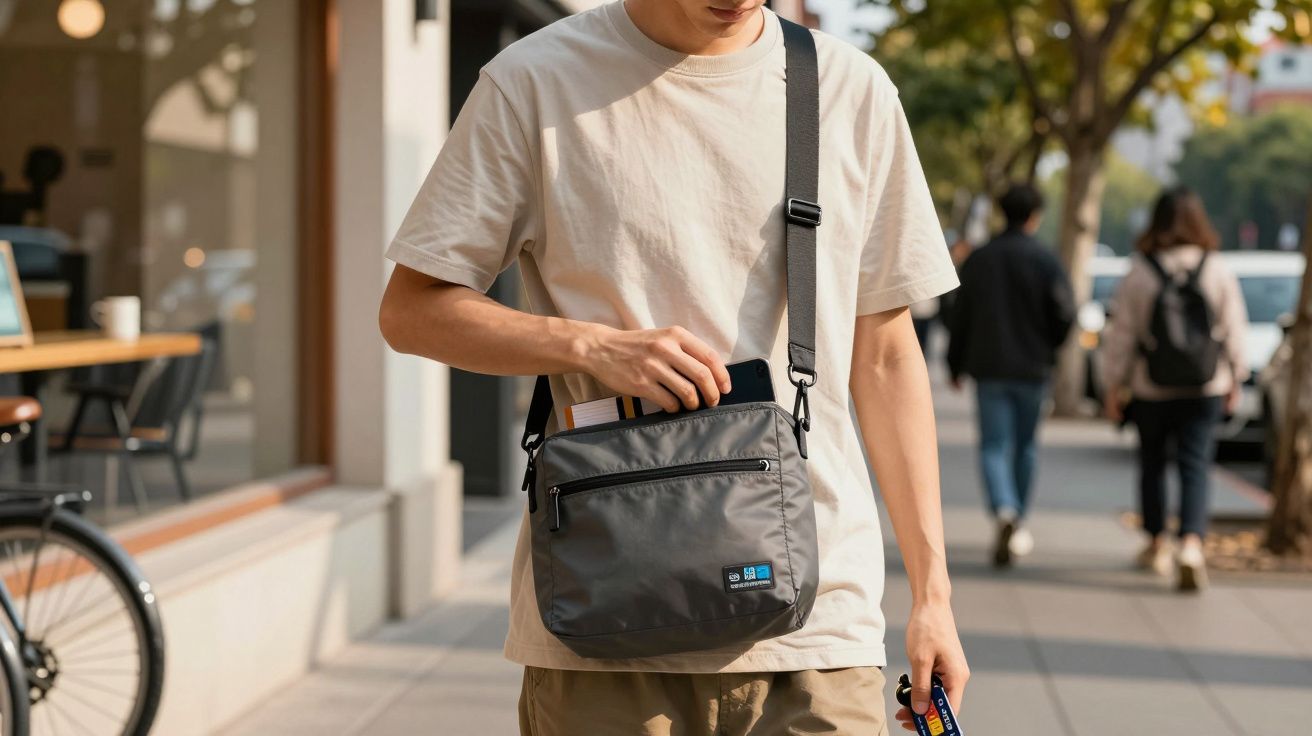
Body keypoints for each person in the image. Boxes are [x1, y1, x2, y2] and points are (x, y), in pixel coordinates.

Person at [378, 2, 969, 733]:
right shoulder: (533, 82)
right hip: (602, 626)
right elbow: (411, 311)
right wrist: (590, 346)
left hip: (816, 628)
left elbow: (885, 357)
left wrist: (933, 596)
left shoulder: (850, 90)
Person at [1101, 187, 1248, 592]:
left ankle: (1156, 542)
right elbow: (1234, 327)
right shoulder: (1216, 268)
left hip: (1151, 386)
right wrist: (1236, 375)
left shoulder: (1140, 271)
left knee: (1152, 464)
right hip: (1206, 384)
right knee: (1195, 464)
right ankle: (1191, 544)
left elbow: (1121, 334)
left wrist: (1113, 385)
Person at [946, 184, 1075, 568]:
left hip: (989, 368)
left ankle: (1003, 508)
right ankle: (1017, 515)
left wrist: (955, 364)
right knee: (1026, 446)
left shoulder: (980, 259)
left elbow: (959, 315)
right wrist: (1050, 347)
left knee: (993, 445)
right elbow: (1065, 314)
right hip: (1034, 369)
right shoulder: (1046, 259)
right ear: (1035, 215)